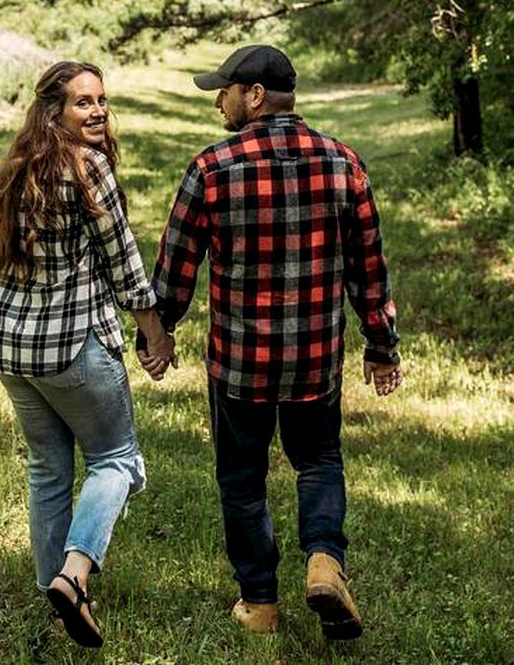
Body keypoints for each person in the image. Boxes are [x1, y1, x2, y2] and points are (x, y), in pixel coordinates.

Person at [139, 44, 402, 640]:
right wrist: (381, 344)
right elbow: (370, 269)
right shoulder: (343, 164)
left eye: (224, 91)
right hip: (314, 360)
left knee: (241, 477)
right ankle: (324, 560)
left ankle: (260, 603)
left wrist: (156, 334)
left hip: (239, 365)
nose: (218, 101)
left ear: (254, 95)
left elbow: (176, 268)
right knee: (318, 460)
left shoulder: (212, 168)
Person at [0, 60, 174, 649]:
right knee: (116, 461)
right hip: (72, 347)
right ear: (54, 112)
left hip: (14, 348)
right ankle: (74, 574)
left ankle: (56, 594)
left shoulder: (18, 170)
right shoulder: (89, 167)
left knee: (48, 470)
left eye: (101, 100)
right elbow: (125, 262)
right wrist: (155, 334)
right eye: (82, 103)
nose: (96, 112)